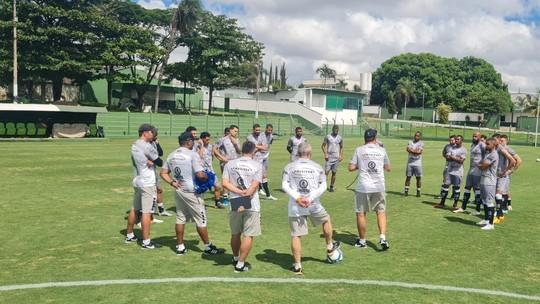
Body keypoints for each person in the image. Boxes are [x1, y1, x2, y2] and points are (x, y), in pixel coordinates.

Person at [160, 132, 225, 256]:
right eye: (193, 141)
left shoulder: (172, 154)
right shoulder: (192, 155)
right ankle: (208, 247)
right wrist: (208, 177)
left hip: (179, 190)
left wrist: (172, 182)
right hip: (192, 192)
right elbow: (200, 175)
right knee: (201, 220)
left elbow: (163, 173)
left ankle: (180, 246)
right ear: (189, 141)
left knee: (180, 218)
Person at [282, 142, 340, 274]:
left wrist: (297, 198)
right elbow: (323, 186)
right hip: (313, 204)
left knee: (296, 235)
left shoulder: (289, 166)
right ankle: (329, 246)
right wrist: (309, 198)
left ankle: (297, 266)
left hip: (295, 206)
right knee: (326, 220)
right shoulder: (317, 167)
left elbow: (284, 185)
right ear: (310, 153)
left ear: (297, 153)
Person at [222, 141, 263, 273]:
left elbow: (225, 183)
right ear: (253, 151)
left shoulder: (230, 164)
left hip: (235, 201)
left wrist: (238, 192)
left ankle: (235, 257)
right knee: (248, 235)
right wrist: (246, 193)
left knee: (235, 233)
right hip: (251, 203)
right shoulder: (257, 165)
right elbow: (255, 185)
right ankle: (240, 264)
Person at [348, 129, 391, 251]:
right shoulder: (382, 150)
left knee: (361, 213)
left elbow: (350, 167)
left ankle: (362, 241)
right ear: (375, 138)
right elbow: (388, 168)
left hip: (364, 186)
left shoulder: (359, 150)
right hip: (379, 186)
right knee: (381, 211)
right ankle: (382, 237)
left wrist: (360, 165)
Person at [125, 124, 161, 249]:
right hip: (147, 181)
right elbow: (159, 161)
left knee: (135, 208)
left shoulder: (135, 144)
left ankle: (129, 234)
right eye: (152, 132)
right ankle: (146, 242)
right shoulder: (146, 145)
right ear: (145, 133)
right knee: (147, 211)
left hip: (138, 179)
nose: (154, 135)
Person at [454, 132, 485, 214]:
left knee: (477, 189)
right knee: (467, 187)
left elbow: (486, 156)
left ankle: (477, 210)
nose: (474, 138)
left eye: (476, 136)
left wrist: (481, 165)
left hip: (478, 170)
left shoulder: (482, 145)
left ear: (479, 137)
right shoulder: (473, 145)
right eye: (473, 136)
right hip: (471, 169)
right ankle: (463, 207)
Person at [435, 135, 466, 209]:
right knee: (445, 186)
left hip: (458, 171)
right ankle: (442, 203)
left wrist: (453, 157)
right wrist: (456, 158)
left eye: (458, 139)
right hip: (449, 169)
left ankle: (455, 205)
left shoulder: (463, 150)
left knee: (456, 187)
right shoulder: (451, 148)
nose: (456, 140)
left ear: (461, 141)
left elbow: (461, 161)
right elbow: (448, 158)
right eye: (455, 139)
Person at [247, 124, 277, 200]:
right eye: (256, 130)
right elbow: (252, 147)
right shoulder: (249, 137)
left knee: (263, 175)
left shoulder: (262, 136)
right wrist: (259, 146)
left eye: (259, 130)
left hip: (262, 157)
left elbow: (265, 147)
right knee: (253, 176)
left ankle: (267, 194)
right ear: (253, 130)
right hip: (254, 159)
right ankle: (253, 192)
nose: (258, 131)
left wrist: (257, 146)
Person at [493, 134, 517, 224]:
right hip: (496, 175)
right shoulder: (495, 148)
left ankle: (498, 215)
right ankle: (500, 214)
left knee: (498, 194)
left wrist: (506, 171)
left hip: (501, 175)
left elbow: (513, 160)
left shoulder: (501, 148)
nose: (494, 141)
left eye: (495, 140)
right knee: (497, 194)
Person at [476, 138, 499, 231]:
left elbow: (483, 166)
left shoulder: (493, 154)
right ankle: (486, 219)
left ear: (494, 145)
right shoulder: (487, 153)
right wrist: (481, 165)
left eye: (488, 144)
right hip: (484, 179)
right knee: (485, 201)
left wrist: (480, 165)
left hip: (489, 181)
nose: (486, 145)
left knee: (489, 202)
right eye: (486, 144)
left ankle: (491, 223)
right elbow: (482, 164)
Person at [198, 131, 224, 209]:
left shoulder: (211, 146)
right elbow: (200, 156)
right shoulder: (197, 146)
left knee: (217, 186)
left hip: (210, 170)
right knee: (202, 188)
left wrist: (223, 159)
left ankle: (217, 202)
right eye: (206, 140)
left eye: (209, 139)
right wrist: (202, 145)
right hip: (201, 170)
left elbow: (215, 155)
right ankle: (200, 204)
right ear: (202, 139)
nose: (208, 141)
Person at [150, 127, 172, 217]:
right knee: (150, 192)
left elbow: (160, 153)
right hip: (148, 171)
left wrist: (157, 143)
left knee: (159, 190)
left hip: (154, 170)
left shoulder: (154, 143)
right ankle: (148, 214)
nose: (157, 135)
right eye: (155, 133)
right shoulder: (146, 145)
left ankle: (161, 210)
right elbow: (159, 161)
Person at [321, 125, 344, 192]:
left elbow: (342, 147)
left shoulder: (340, 138)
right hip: (329, 158)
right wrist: (325, 154)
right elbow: (323, 146)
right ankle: (323, 187)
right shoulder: (328, 137)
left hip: (336, 158)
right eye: (335, 130)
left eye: (337, 130)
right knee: (326, 173)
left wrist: (341, 156)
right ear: (332, 129)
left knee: (334, 173)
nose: (336, 131)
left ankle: (331, 187)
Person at [258, 124, 276, 199]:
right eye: (268, 130)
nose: (270, 131)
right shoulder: (261, 135)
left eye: (271, 130)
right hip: (259, 156)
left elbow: (269, 144)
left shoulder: (271, 136)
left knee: (264, 172)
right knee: (262, 174)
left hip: (266, 156)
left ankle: (259, 188)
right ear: (266, 129)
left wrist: (267, 150)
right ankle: (267, 194)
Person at [403, 131, 424, 197]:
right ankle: (406, 191)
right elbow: (408, 149)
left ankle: (418, 191)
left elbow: (419, 152)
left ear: (420, 137)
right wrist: (414, 151)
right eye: (415, 135)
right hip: (410, 163)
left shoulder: (421, 143)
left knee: (418, 178)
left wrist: (412, 150)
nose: (416, 137)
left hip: (418, 164)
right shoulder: (410, 142)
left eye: (417, 136)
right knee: (408, 177)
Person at [436, 135, 455, 200]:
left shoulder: (457, 147)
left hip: (455, 166)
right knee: (445, 180)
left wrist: (452, 157)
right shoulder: (447, 146)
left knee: (454, 181)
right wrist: (446, 156)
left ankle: (454, 194)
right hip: (447, 165)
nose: (451, 141)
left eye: (452, 140)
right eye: (450, 140)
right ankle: (442, 194)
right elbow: (443, 153)